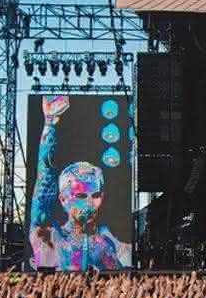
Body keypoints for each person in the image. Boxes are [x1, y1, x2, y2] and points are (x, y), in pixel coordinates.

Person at [29, 95, 130, 271]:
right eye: (81, 195)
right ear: (63, 199)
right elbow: (44, 177)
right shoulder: (49, 236)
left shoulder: (110, 244)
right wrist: (50, 124)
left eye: (96, 195)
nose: (90, 203)